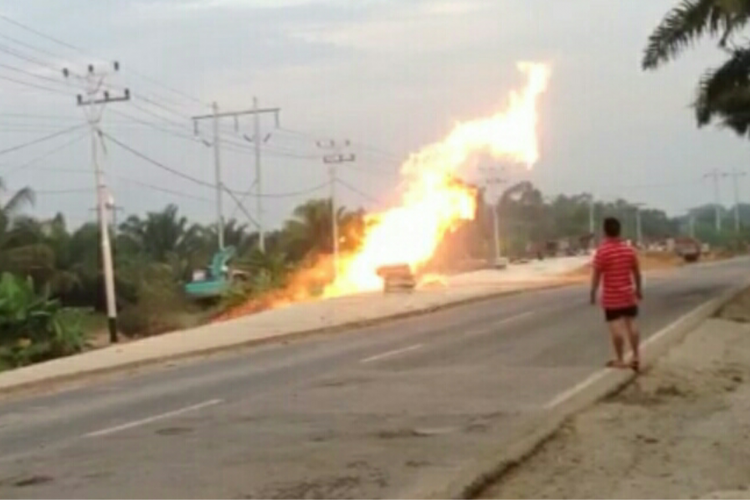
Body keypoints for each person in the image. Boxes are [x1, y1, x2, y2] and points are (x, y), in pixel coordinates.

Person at [590, 217, 643, 371]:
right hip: (628, 295)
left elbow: (596, 275)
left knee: (616, 327)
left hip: (611, 297)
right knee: (631, 323)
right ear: (619, 231)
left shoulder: (602, 251)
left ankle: (620, 359)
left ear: (605, 231)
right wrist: (638, 289)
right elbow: (637, 273)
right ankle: (636, 356)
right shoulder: (629, 250)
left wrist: (593, 292)